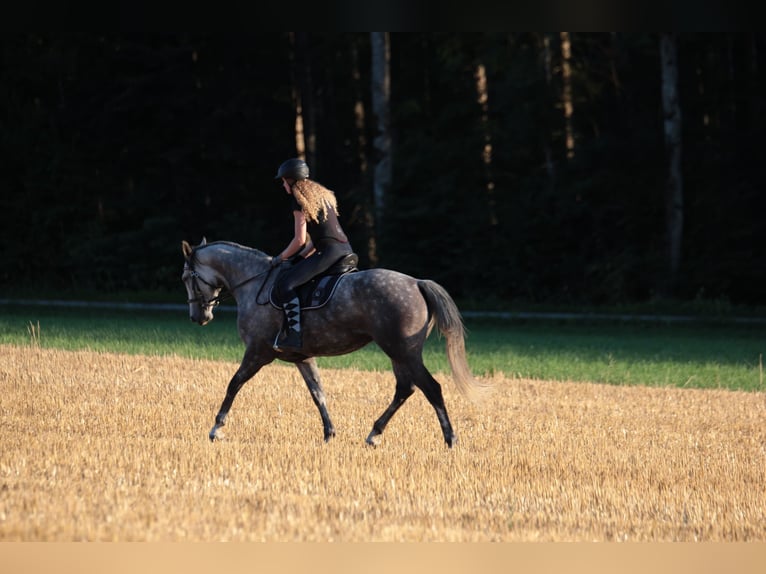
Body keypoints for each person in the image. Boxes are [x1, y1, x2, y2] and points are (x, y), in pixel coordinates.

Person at [270, 158, 354, 353]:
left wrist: (279, 258)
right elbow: (318, 239)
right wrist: (300, 258)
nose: (283, 185)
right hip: (344, 249)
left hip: (329, 254)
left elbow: (299, 240)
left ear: (292, 181)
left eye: (284, 181)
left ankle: (294, 336)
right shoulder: (322, 196)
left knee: (285, 284)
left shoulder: (298, 201)